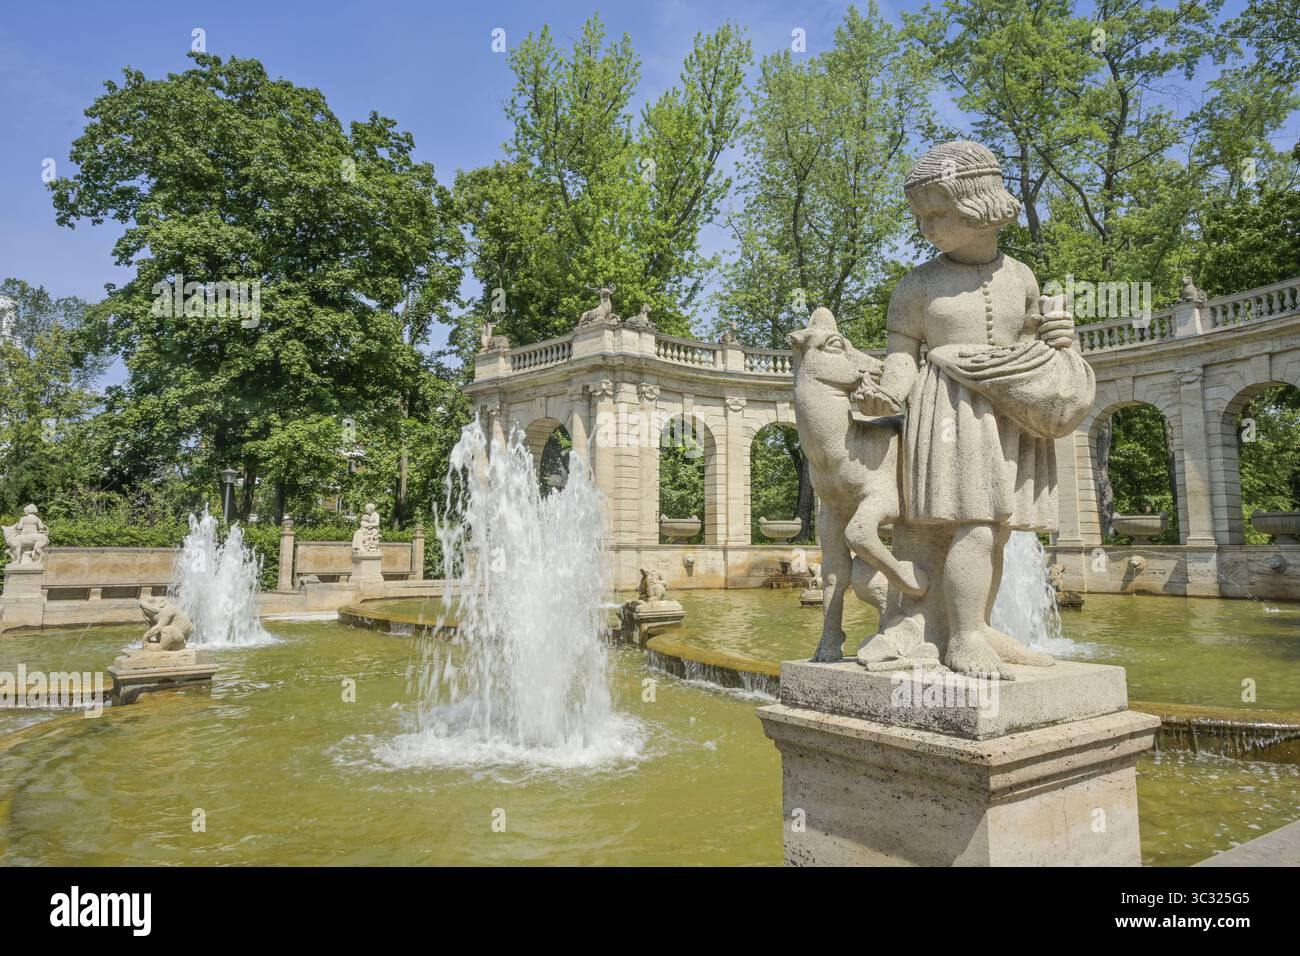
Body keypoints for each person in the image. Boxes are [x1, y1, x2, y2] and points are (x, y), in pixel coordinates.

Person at [855, 141, 1092, 678]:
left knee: (997, 529)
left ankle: (979, 627)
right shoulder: (916, 285)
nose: (926, 227)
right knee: (974, 524)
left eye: (938, 213)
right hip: (947, 408)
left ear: (979, 203)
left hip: (1008, 407)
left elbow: (1034, 345)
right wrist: (886, 396)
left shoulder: (1022, 276)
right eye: (920, 216)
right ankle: (959, 638)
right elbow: (901, 359)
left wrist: (1061, 335)